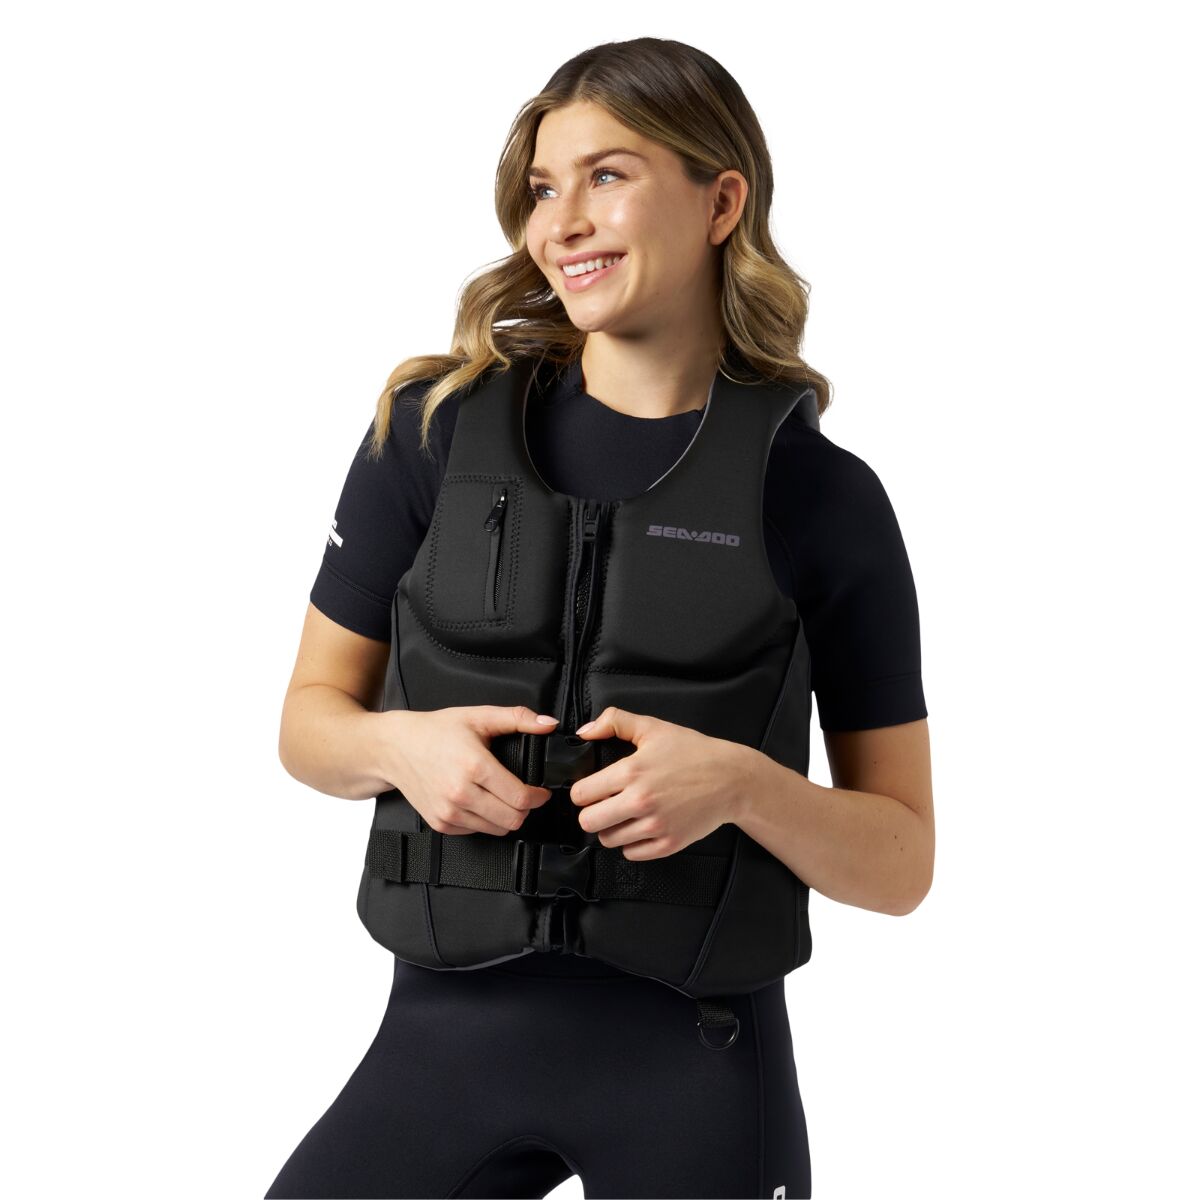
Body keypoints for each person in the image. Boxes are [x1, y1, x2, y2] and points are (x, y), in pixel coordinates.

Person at [264, 37, 933, 1200]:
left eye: (607, 176)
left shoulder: (820, 497)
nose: (561, 222)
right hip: (441, 1047)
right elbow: (307, 726)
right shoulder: (429, 437)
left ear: (721, 202)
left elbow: (903, 862)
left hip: (697, 1070)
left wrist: (741, 786)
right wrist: (399, 748)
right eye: (542, 188)